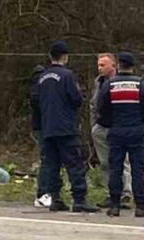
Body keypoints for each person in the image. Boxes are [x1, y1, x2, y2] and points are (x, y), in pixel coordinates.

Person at [35, 40, 98, 213]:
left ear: (50, 56)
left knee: (52, 165)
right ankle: (79, 199)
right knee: (74, 164)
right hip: (66, 127)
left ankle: (55, 198)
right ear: (65, 57)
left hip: (48, 127)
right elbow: (76, 99)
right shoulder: (67, 75)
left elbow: (36, 101)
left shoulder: (42, 78)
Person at [96, 51, 144, 218]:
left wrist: (110, 123)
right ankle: (141, 206)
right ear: (133, 66)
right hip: (137, 131)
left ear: (118, 65)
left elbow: (101, 108)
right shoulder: (141, 85)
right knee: (137, 170)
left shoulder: (109, 85)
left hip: (116, 132)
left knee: (115, 168)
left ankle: (114, 206)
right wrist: (143, 120)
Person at [89, 53, 116, 206]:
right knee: (105, 162)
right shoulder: (98, 82)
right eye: (99, 65)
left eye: (103, 65)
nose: (100, 68)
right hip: (101, 126)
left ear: (113, 65)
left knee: (122, 161)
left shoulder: (119, 82)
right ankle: (109, 192)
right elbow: (94, 104)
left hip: (117, 126)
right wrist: (94, 125)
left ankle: (125, 193)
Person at [29, 64, 52, 209]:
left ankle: (47, 191)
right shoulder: (38, 90)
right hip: (44, 127)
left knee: (47, 159)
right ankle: (43, 193)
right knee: (47, 159)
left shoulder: (34, 90)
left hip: (40, 126)